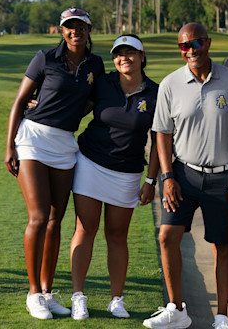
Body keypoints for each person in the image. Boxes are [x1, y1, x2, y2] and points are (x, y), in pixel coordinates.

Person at [4, 7, 104, 320]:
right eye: (69, 27)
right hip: (32, 139)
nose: (75, 32)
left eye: (80, 27)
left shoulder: (95, 65)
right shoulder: (45, 58)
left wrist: (74, 113)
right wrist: (10, 146)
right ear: (62, 31)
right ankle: (33, 293)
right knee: (37, 216)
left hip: (65, 145)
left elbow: (94, 99)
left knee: (55, 219)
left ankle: (48, 292)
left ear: (89, 31)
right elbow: (21, 101)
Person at [143, 23, 228, 329]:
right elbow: (162, 133)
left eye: (196, 43)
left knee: (221, 246)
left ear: (208, 43)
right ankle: (177, 309)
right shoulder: (171, 84)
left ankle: (222, 316)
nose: (191, 51)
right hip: (183, 174)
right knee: (167, 236)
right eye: (184, 46)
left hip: (223, 178)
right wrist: (166, 176)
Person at [68, 34, 160, 320]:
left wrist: (151, 180)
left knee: (117, 236)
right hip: (90, 162)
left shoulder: (155, 93)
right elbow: (74, 111)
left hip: (128, 171)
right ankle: (78, 297)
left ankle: (116, 300)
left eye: (130, 53)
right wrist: (37, 110)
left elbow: (159, 140)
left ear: (142, 56)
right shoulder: (104, 84)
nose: (124, 58)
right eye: (119, 54)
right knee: (85, 229)